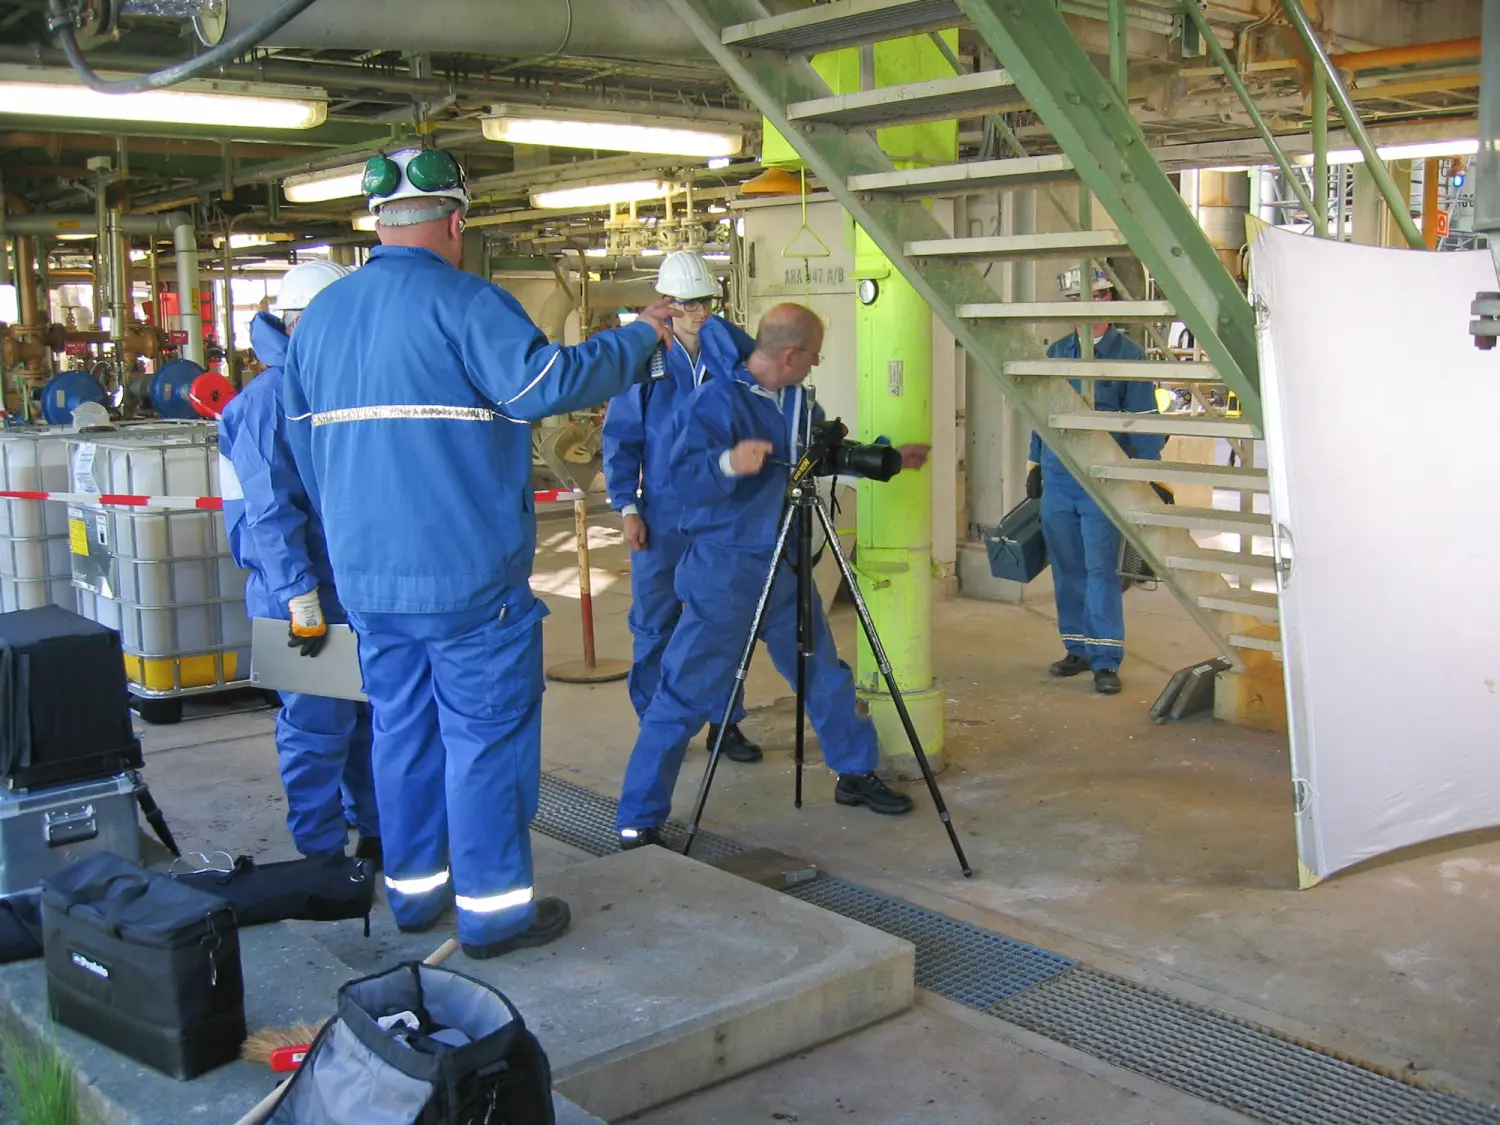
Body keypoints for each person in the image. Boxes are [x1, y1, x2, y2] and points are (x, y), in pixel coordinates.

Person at [282, 147, 675, 959]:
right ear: (457, 222)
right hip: (465, 581)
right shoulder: (468, 303)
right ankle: (496, 914)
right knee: (485, 740)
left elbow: (298, 451)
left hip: (369, 582)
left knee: (401, 734)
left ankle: (414, 895)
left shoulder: (320, 320)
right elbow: (546, 387)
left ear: (380, 223)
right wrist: (638, 337)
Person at [615, 303, 927, 849]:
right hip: (724, 571)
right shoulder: (716, 401)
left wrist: (885, 459)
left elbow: (814, 459)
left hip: (784, 562)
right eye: (814, 354)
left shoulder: (800, 402)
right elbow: (682, 481)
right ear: (791, 353)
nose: (816, 363)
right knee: (684, 694)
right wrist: (729, 464)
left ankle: (854, 771)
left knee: (822, 673)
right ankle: (639, 816)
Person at [218, 258, 381, 866]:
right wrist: (298, 595)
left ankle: (375, 831)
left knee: (366, 720)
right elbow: (268, 513)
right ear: (306, 324)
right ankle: (319, 855)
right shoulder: (264, 402)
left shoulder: (335, 385)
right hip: (297, 595)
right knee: (317, 727)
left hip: (353, 586)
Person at [603, 251, 762, 762]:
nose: (698, 313)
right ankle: (655, 721)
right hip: (664, 513)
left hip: (722, 510)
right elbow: (622, 438)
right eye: (687, 304)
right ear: (665, 305)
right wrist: (627, 507)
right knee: (654, 620)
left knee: (721, 616)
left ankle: (725, 719)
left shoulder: (730, 354)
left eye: (705, 303)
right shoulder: (645, 363)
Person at [1026, 269, 1164, 696]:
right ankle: (1078, 647)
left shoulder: (1129, 356)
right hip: (1059, 474)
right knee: (1067, 566)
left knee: (1100, 568)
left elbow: (1143, 421)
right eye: (1073, 302)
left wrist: (1148, 474)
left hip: (1102, 478)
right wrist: (1035, 462)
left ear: (1106, 300)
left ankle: (1106, 658)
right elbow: (1042, 411)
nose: (1082, 308)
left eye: (1092, 298)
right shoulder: (1058, 353)